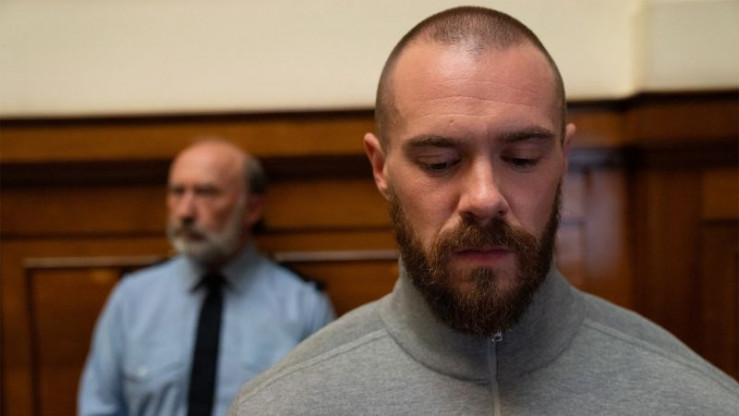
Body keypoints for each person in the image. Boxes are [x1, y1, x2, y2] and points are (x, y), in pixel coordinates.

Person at [228, 6, 739, 415]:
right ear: (381, 168)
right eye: (439, 162)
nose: (484, 197)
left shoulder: (699, 402)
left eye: (522, 158)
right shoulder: (281, 406)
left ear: (562, 159)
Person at [78, 138, 335, 416]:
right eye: (177, 192)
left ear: (252, 208)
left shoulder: (304, 306)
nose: (185, 212)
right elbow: (98, 408)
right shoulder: (132, 300)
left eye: (206, 193)